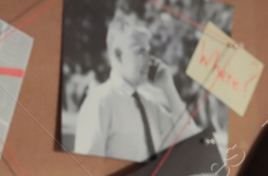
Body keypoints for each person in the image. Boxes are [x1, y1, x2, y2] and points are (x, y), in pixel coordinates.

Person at [72, 14, 193, 161]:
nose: (149, 60)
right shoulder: (100, 102)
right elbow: (85, 169)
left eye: (148, 52)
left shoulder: (149, 104)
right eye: (140, 52)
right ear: (118, 55)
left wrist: (168, 87)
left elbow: (189, 137)